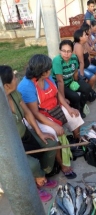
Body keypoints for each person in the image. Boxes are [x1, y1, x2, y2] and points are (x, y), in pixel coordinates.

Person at [17, 54, 84, 179]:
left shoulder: (47, 78)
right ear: (41, 72)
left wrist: (69, 109)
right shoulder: (26, 86)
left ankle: (76, 141)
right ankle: (62, 164)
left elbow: (58, 95)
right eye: (48, 69)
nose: (50, 71)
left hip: (53, 109)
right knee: (54, 132)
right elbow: (35, 113)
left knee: (75, 116)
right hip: (39, 115)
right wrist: (54, 125)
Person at [0, 65, 58, 202]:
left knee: (51, 144)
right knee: (32, 165)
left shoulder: (14, 94)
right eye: (14, 77)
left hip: (25, 135)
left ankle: (41, 176)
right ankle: (35, 186)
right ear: (7, 85)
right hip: (10, 146)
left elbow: (27, 113)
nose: (17, 78)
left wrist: (40, 133)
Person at [52, 40, 91, 119]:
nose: (66, 54)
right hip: (61, 84)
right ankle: (75, 112)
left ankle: (81, 107)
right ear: (60, 51)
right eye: (63, 51)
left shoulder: (73, 57)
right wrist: (63, 98)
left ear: (72, 51)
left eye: (69, 51)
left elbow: (76, 72)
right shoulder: (57, 61)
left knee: (87, 87)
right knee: (75, 96)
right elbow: (60, 81)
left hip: (70, 81)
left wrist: (77, 83)